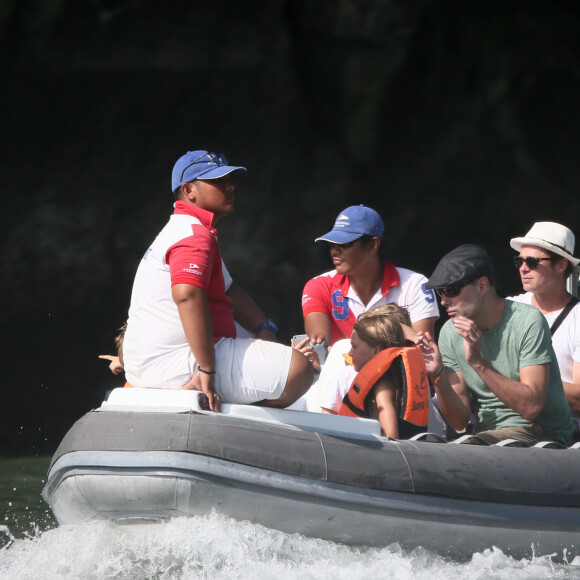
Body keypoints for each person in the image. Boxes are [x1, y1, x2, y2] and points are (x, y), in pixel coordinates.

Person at [121, 150, 313, 411]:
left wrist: (264, 326)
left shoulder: (186, 229)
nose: (230, 185)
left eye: (229, 179)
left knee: (273, 351)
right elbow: (187, 296)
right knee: (300, 369)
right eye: (218, 180)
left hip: (152, 360)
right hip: (173, 362)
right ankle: (225, 409)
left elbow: (229, 288)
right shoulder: (193, 235)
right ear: (189, 190)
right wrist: (207, 369)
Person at [417, 244, 573, 446]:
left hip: (542, 434)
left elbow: (531, 408)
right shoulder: (449, 331)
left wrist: (477, 362)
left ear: (482, 286)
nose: (444, 301)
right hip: (488, 436)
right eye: (440, 292)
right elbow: (459, 421)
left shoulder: (528, 321)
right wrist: (437, 374)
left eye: (451, 290)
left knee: (466, 453)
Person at [301, 205, 439, 348]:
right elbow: (320, 352)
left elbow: (423, 352)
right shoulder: (318, 286)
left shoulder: (416, 284)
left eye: (346, 243)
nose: (334, 251)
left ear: (373, 245)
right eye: (332, 243)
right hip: (339, 369)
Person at [508, 222, 580, 431]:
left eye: (532, 261)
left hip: (561, 438)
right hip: (508, 426)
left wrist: (523, 385)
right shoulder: (508, 308)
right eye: (519, 260)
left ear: (561, 265)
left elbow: (578, 398)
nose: (523, 268)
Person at [336, 313, 429, 439]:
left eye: (354, 347)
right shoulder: (390, 379)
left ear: (375, 351)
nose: (350, 353)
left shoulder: (383, 386)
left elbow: (391, 436)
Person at [320, 303, 416, 414]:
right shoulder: (342, 379)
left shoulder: (414, 374)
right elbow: (326, 419)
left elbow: (390, 431)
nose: (350, 352)